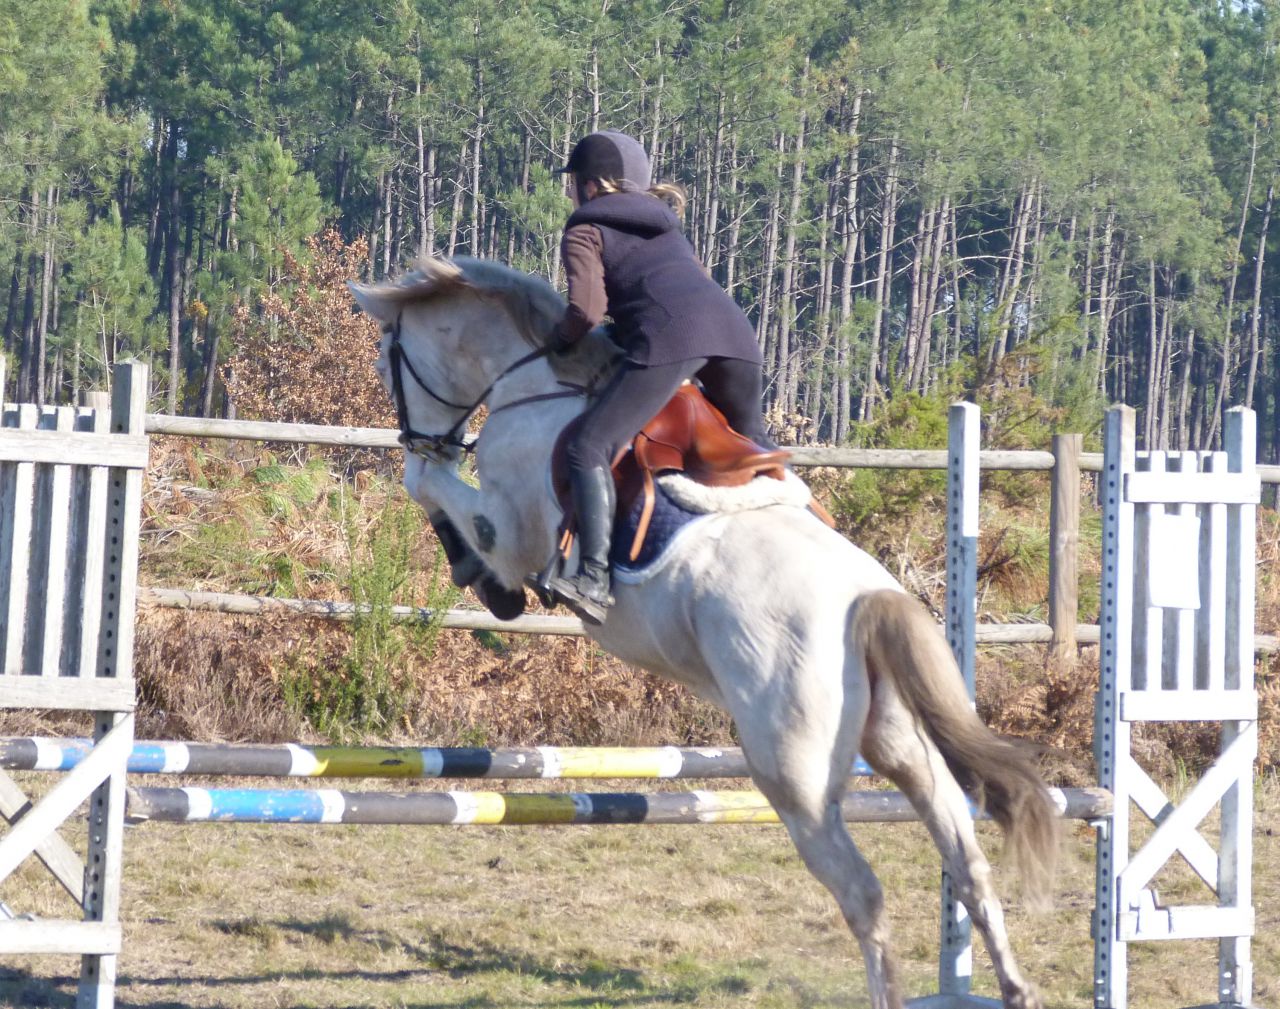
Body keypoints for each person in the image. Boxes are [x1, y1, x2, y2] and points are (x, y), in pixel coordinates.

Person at [545, 129, 770, 624]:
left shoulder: (585, 229)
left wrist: (557, 340)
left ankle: (593, 580)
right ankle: (811, 526)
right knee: (754, 451)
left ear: (589, 185)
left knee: (588, 447)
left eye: (574, 184)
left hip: (672, 339)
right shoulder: (667, 226)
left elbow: (585, 311)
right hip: (736, 337)